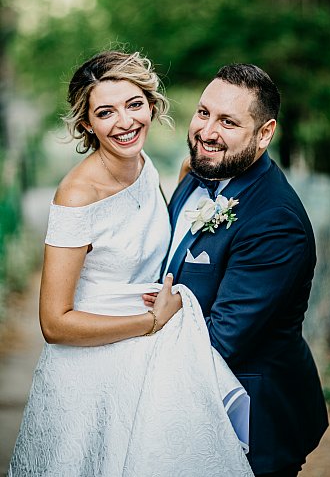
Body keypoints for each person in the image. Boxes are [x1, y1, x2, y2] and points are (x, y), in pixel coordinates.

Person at [8, 50, 254, 476]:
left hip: (147, 366)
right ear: (87, 124)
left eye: (134, 104)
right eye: (105, 112)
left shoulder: (145, 166)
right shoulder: (77, 197)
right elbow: (54, 322)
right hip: (89, 378)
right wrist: (151, 323)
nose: (125, 122)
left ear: (151, 103)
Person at [145, 63, 328, 477]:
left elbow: (222, 339)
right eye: (204, 112)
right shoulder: (197, 173)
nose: (208, 131)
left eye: (228, 121)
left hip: (250, 419)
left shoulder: (275, 222)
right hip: (189, 404)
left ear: (264, 134)